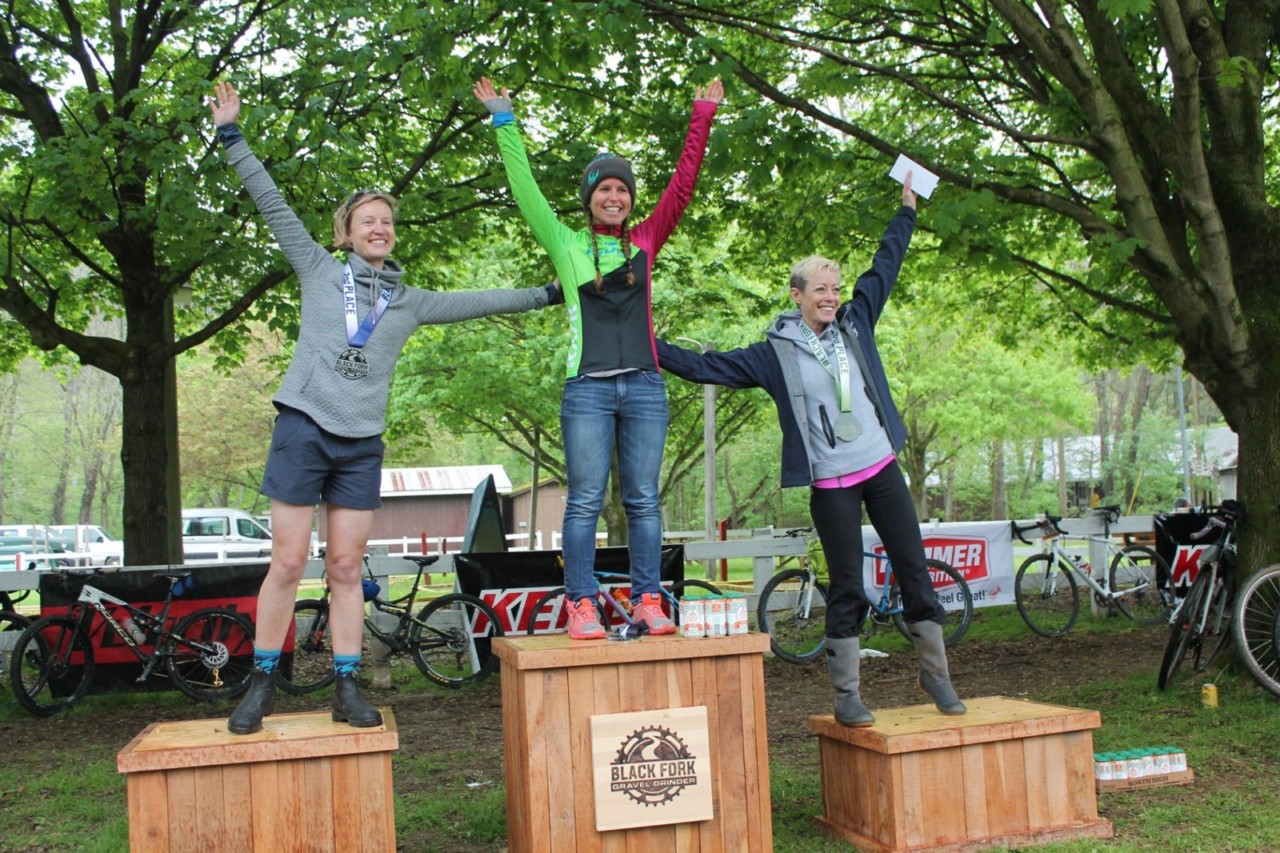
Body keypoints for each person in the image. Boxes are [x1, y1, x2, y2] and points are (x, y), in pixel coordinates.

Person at [208, 82, 560, 734]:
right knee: (287, 561)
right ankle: (259, 684)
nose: (380, 227)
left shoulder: (409, 302)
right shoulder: (317, 269)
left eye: (387, 221)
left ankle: (346, 686)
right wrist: (232, 134)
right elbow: (270, 200)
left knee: (346, 567)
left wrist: (558, 290)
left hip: (360, 442)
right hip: (303, 427)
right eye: (367, 219)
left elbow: (482, 299)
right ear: (345, 234)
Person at [657, 174, 965, 724]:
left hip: (880, 467)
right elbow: (707, 366)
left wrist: (907, 211)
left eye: (835, 288)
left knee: (915, 571)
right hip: (832, 483)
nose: (831, 296)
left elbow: (885, 267)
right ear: (797, 296)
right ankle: (847, 694)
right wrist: (648, 345)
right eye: (819, 289)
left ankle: (936, 677)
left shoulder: (856, 323)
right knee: (847, 583)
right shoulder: (773, 354)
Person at [473, 75, 723, 639]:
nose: (615, 197)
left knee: (643, 501)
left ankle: (647, 601)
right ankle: (581, 603)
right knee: (584, 500)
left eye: (623, 191)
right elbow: (524, 189)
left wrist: (702, 115)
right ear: (589, 199)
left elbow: (682, 187)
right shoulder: (564, 243)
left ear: (631, 201)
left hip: (644, 387)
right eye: (604, 190)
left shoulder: (646, 242)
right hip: (586, 388)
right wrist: (504, 121)